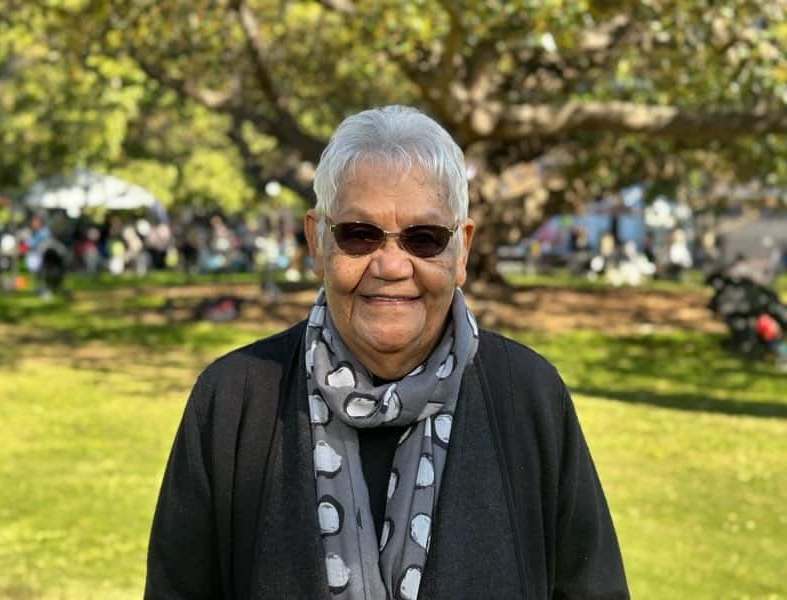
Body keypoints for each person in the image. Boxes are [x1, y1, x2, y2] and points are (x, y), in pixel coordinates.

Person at [145, 106, 629, 600]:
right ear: (317, 242)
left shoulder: (528, 396)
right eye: (359, 234)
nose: (392, 265)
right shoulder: (233, 400)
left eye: (424, 239)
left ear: (460, 251)